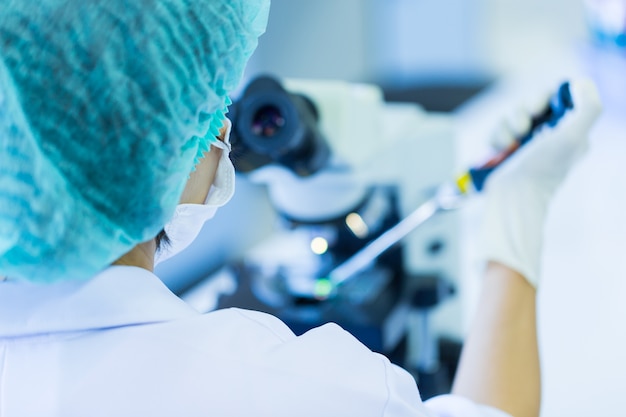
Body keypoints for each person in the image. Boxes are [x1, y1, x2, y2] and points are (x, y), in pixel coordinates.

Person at [0, 0, 603, 416]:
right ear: (169, 140)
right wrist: (518, 218)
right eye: (214, 110)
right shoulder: (285, 392)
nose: (225, 134)